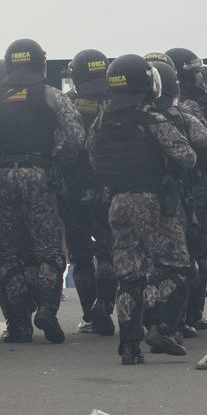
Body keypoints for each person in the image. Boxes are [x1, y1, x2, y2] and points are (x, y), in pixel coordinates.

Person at [88, 54, 196, 364]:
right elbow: (186, 157)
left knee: (128, 274)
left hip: (117, 202)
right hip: (153, 202)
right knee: (177, 267)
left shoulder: (101, 121)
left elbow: (93, 157)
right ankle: (149, 309)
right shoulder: (153, 120)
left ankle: (129, 347)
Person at [0, 39, 85, 344]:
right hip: (39, 174)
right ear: (40, 64)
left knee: (8, 253)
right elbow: (75, 139)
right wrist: (55, 165)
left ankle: (17, 323)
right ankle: (47, 308)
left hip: (2, 177)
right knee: (48, 247)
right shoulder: (51, 96)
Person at [144, 55, 207, 341]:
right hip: (180, 195)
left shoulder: (121, 115)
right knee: (188, 257)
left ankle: (143, 322)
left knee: (142, 262)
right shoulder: (183, 113)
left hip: (131, 197)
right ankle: (185, 318)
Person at [63, 49, 116, 336]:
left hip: (74, 187)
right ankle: (105, 306)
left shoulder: (68, 103)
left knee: (81, 254)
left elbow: (64, 144)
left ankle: (89, 316)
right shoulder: (119, 100)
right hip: (109, 186)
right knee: (109, 250)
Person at [164, 47, 207, 332]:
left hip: (158, 193)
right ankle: (190, 314)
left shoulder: (146, 109)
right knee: (194, 253)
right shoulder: (190, 109)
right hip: (192, 190)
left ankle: (165, 316)